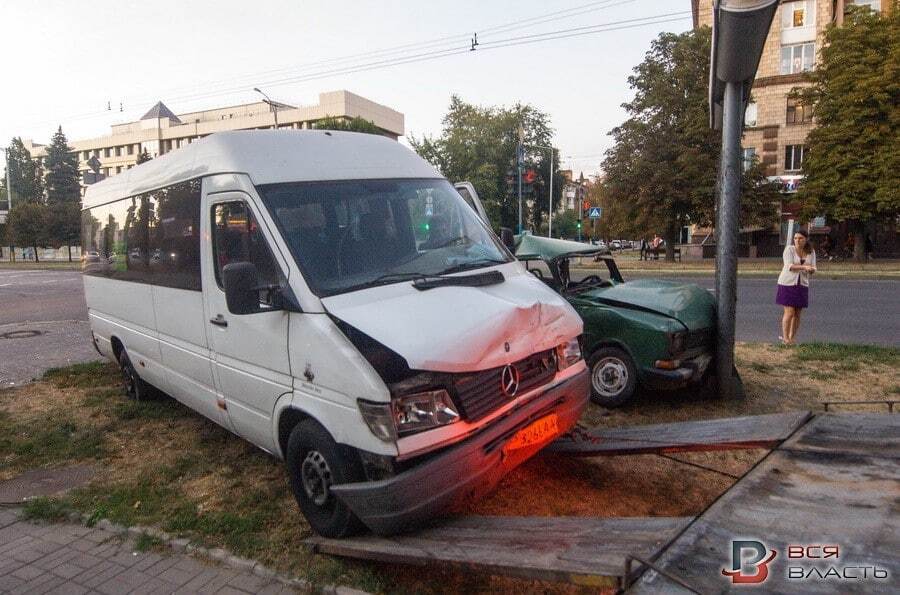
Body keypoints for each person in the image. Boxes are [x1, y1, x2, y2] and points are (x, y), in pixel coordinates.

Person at [776, 228, 816, 345]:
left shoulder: (811, 251)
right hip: (787, 283)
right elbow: (789, 266)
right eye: (795, 238)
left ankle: (792, 338)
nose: (797, 240)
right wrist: (804, 267)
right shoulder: (789, 249)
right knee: (789, 312)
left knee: (798, 313)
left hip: (802, 284)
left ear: (806, 239)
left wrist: (811, 270)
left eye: (800, 238)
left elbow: (813, 266)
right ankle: (785, 339)